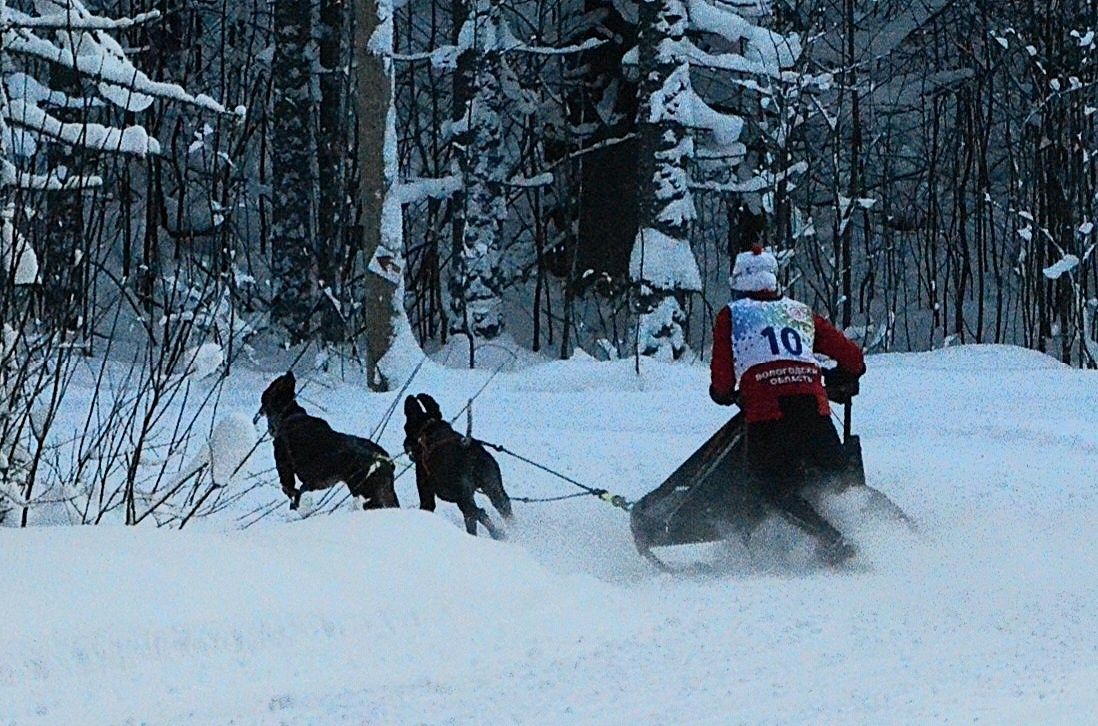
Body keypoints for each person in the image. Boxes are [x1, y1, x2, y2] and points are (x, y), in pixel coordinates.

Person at [709, 245, 866, 565]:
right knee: (833, 480)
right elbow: (854, 359)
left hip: (769, 413)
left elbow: (723, 383)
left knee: (769, 489)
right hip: (815, 408)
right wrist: (838, 376)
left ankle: (832, 542)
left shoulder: (733, 315)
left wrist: (724, 394)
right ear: (773, 280)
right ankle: (882, 534)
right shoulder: (799, 311)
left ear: (739, 283)